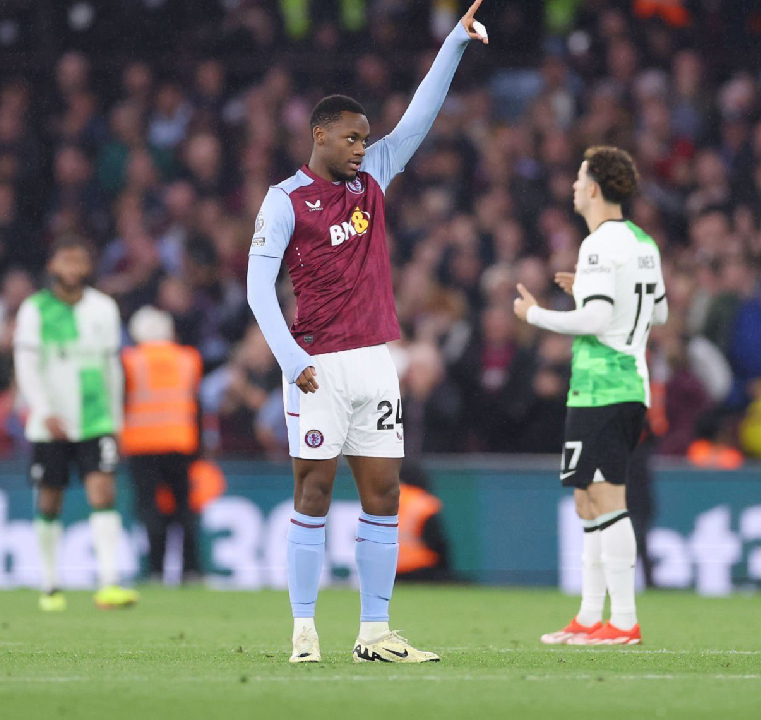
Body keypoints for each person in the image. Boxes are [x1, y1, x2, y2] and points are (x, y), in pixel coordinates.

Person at [245, 0, 489, 664]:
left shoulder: (373, 180)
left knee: (383, 492)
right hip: (317, 365)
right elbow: (256, 288)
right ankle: (302, 631)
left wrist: (454, 45)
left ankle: (375, 634)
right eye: (351, 138)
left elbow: (420, 118)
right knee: (314, 492)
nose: (362, 148)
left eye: (365, 139)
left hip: (375, 363)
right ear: (320, 135)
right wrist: (292, 359)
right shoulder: (284, 200)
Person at [514, 146, 667, 647]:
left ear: (596, 188)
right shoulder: (642, 242)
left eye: (580, 179)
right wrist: (591, 289)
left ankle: (623, 620)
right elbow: (659, 313)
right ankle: (589, 616)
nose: (574, 187)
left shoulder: (600, 243)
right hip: (614, 385)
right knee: (586, 500)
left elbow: (598, 321)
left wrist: (536, 315)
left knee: (607, 497)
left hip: (608, 385)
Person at [14, 235, 137, 612]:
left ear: (87, 267)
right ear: (53, 266)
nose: (73, 268)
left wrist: (116, 419)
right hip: (49, 422)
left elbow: (112, 366)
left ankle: (109, 583)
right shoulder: (35, 310)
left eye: (79, 261)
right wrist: (42, 409)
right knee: (50, 496)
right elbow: (27, 366)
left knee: (103, 492)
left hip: (95, 418)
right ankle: (50, 584)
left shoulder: (103, 308)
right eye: (66, 261)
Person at [121, 306, 203, 584]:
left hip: (141, 445)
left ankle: (155, 571)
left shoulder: (130, 360)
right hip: (180, 443)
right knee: (184, 510)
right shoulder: (188, 359)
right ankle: (191, 570)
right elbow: (196, 404)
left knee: (150, 511)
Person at [395, 465, 451, 582]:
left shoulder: (382, 499)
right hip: (419, 569)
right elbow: (437, 542)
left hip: (386, 572)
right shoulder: (422, 502)